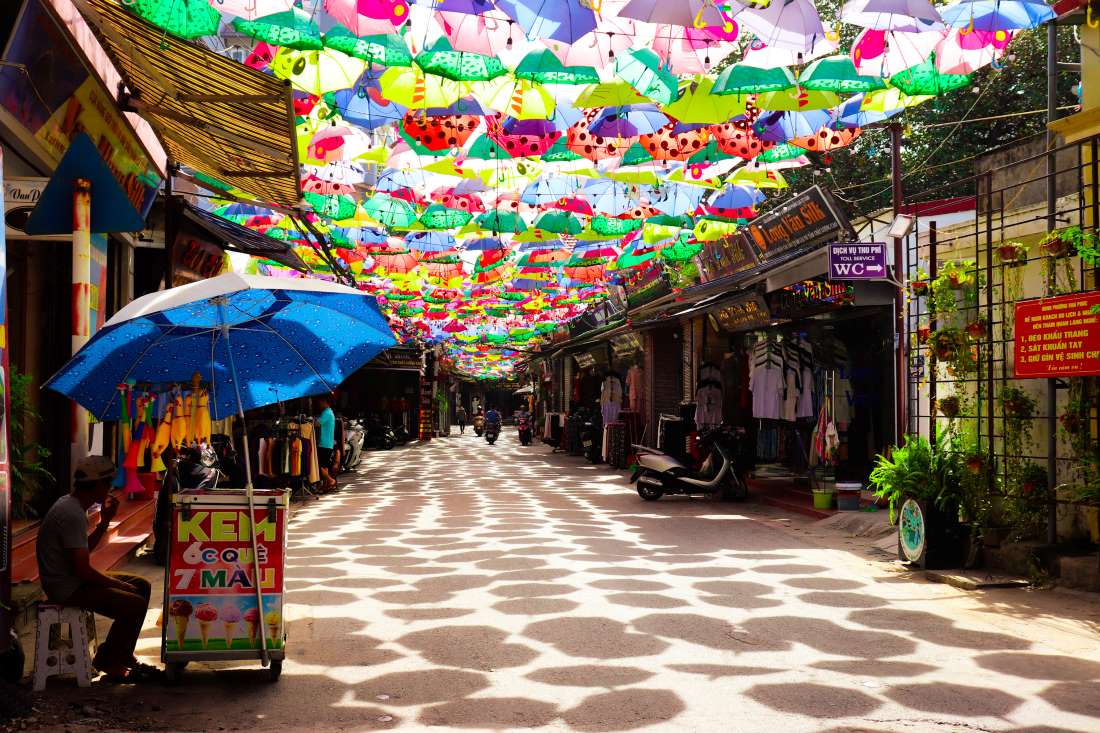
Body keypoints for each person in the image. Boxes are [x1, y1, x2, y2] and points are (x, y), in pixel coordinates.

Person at [36, 455, 159, 683]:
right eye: (108, 484)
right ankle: (109, 661)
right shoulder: (71, 513)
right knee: (134, 603)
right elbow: (83, 570)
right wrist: (117, 584)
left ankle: (118, 654)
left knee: (141, 585)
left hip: (72, 578)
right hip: (66, 586)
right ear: (99, 485)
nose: (111, 488)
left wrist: (104, 523)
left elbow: (83, 551)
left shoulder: (73, 505)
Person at [316, 393, 337, 491]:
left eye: (320, 402)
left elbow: (317, 424)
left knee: (319, 465)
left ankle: (330, 480)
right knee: (324, 466)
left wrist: (311, 420)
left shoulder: (326, 413)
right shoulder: (330, 412)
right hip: (328, 443)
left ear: (325, 402)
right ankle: (326, 485)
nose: (319, 404)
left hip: (324, 443)